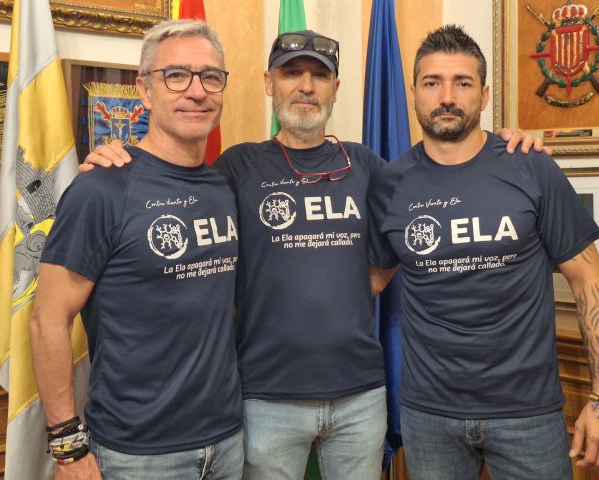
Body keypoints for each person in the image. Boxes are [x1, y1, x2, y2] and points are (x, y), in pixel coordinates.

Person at [82, 29, 548, 479]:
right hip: (264, 396)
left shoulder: (367, 166)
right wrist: (118, 159)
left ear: (335, 88)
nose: (306, 86)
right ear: (269, 83)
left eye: (320, 75)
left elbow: (424, 209)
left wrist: (505, 145)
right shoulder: (236, 167)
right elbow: (174, 185)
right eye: (291, 73)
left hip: (359, 395)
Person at [369, 24, 599, 479]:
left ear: (484, 95)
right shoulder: (390, 183)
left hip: (527, 413)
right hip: (429, 415)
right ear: (413, 93)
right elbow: (368, 281)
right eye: (432, 83)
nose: (447, 97)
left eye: (463, 83)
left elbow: (589, 281)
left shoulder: (531, 166)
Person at [29, 20, 243, 480]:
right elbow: (48, 320)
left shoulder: (226, 186)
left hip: (228, 440)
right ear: (144, 90)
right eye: (176, 76)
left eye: (210, 77)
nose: (197, 91)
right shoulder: (101, 189)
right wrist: (68, 449)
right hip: (137, 454)